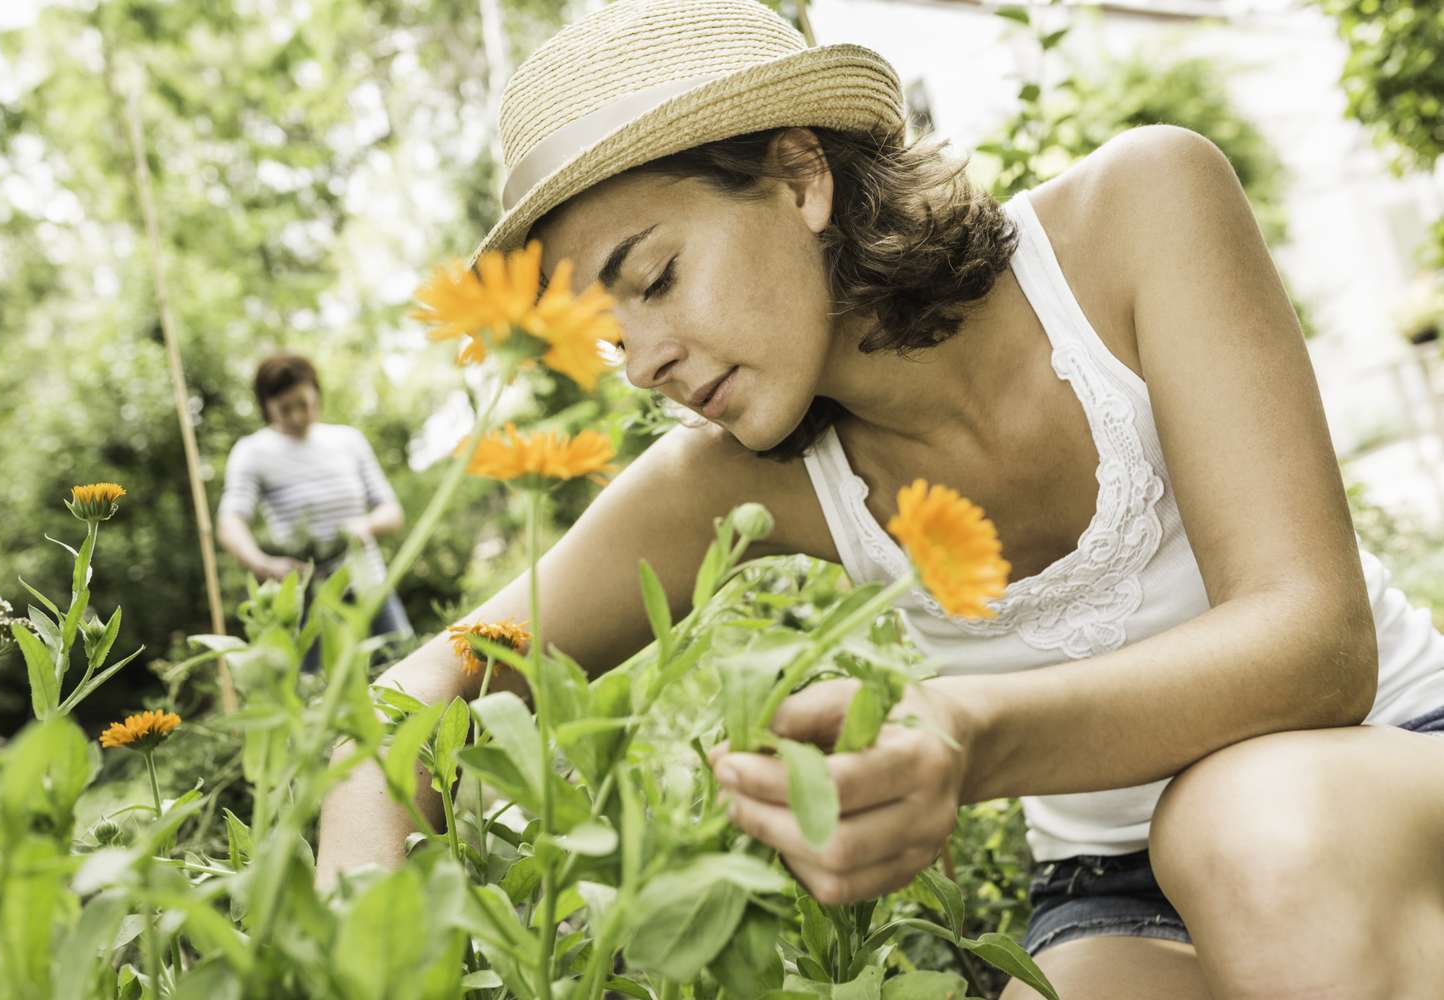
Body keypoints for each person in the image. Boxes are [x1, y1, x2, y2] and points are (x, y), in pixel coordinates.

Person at [316, 1, 1444, 995]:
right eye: (611, 337)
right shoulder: (726, 482)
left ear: (801, 174)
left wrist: (969, 736)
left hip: (1383, 755)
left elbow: (1317, 643)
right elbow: (417, 692)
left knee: (1247, 832)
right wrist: (357, 946)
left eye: (654, 279)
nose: (644, 360)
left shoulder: (1141, 210)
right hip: (1115, 887)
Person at [216, 353, 413, 666]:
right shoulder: (252, 452)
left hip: (370, 585)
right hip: (306, 599)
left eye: (303, 403)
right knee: (321, 694)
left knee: (404, 671)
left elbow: (391, 511)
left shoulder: (349, 441)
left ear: (316, 393)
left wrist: (367, 526)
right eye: (283, 409)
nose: (295, 416)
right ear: (266, 407)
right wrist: (263, 564)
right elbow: (230, 524)